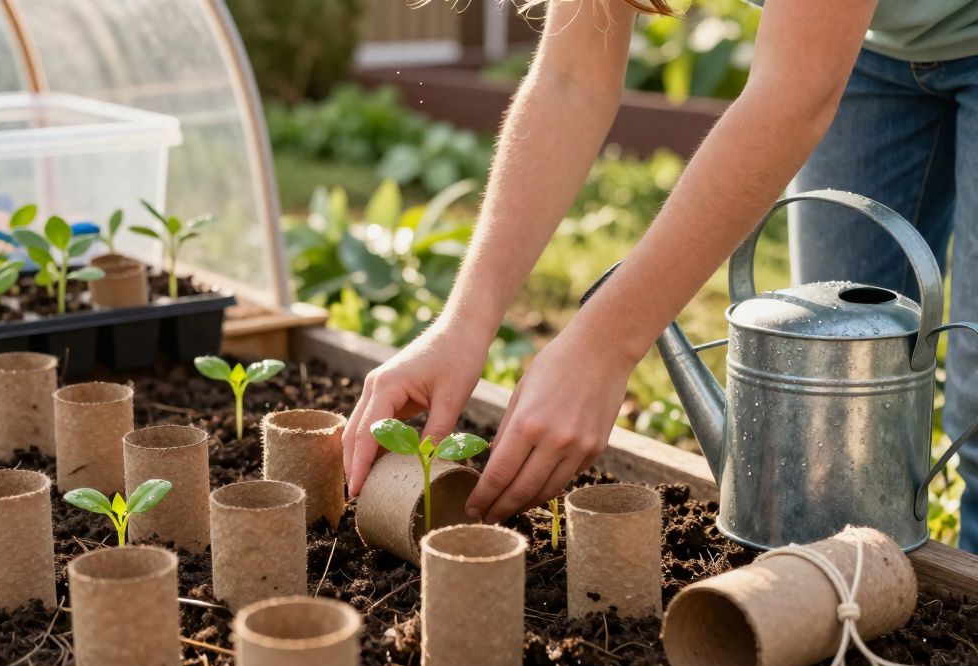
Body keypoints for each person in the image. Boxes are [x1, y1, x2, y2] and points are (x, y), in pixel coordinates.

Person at [342, 0, 978, 552]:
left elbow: (793, 94)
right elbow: (571, 79)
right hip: (863, 42)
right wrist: (462, 322)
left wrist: (604, 344)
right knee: (825, 421)